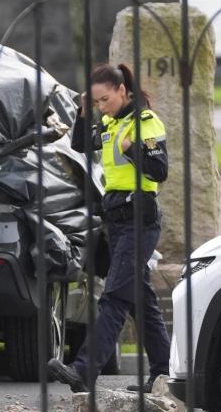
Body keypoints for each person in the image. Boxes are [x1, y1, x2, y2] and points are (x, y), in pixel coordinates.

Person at [47, 62, 171, 394]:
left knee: (114, 296)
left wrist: (134, 151)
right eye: (97, 101)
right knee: (139, 300)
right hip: (116, 219)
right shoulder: (111, 123)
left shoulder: (145, 122)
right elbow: (81, 145)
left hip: (139, 218)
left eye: (105, 99)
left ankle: (83, 370)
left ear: (122, 90)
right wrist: (84, 111)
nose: (102, 107)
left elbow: (159, 170)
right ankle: (164, 374)